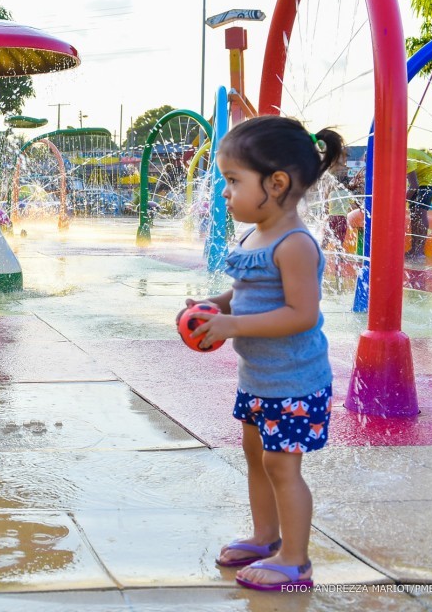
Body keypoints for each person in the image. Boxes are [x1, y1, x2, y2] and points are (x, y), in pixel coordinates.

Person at [181, 116, 344, 592]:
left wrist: (233, 325)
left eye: (233, 181)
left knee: (281, 465)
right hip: (259, 378)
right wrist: (216, 306)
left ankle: (295, 560)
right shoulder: (254, 235)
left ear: (276, 184)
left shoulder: (294, 245)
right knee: (256, 455)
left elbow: (300, 314)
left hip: (294, 381)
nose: (225, 193)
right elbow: (247, 292)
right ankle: (265, 535)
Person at [406, 148, 432, 260]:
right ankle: (414, 248)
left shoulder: (406, 158)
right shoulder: (399, 158)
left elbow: (414, 186)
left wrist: (402, 200)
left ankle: (419, 251)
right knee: (414, 214)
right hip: (419, 179)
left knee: (420, 211)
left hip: (428, 179)